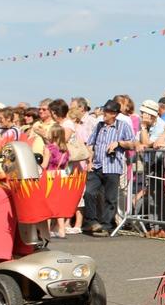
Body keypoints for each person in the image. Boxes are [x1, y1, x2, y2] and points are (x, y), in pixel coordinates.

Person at [82, 99, 136, 237]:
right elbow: (90, 144)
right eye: (104, 110)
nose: (104, 114)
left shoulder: (122, 126)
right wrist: (89, 160)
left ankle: (106, 226)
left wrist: (118, 143)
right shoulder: (99, 126)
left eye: (107, 111)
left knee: (110, 198)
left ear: (114, 114)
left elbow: (132, 144)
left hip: (113, 166)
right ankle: (91, 222)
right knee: (89, 193)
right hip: (97, 166)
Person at [44, 125, 70, 239]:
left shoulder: (48, 148)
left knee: (48, 204)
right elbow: (66, 166)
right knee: (60, 204)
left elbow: (44, 165)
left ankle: (47, 230)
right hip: (62, 176)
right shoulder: (65, 150)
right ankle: (62, 229)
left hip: (50, 176)